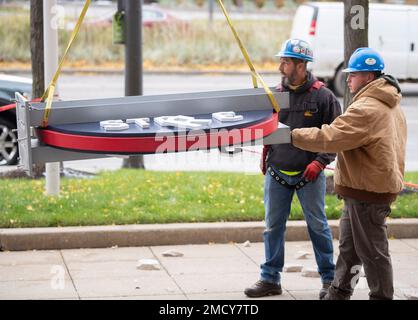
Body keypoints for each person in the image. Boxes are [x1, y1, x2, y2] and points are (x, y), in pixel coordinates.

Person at [291, 47, 407, 300]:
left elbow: (330, 137)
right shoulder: (389, 102)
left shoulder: (366, 108)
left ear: (367, 76)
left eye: (352, 75)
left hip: (368, 190)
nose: (348, 79)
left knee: (373, 252)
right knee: (350, 248)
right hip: (364, 188)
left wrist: (291, 136)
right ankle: (339, 292)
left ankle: (381, 296)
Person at [244, 39, 341, 299]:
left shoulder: (323, 96)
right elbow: (270, 128)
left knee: (317, 226)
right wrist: (267, 152)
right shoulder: (276, 94)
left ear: (301, 65)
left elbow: (335, 136)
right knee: (272, 226)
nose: (280, 67)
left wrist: (319, 162)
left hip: (309, 175)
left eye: (285, 62)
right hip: (277, 172)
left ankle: (329, 280)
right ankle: (270, 279)